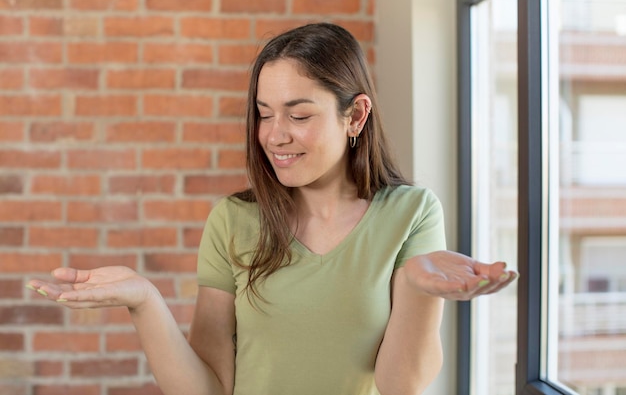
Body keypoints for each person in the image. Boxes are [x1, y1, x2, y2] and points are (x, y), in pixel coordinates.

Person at [27, 22, 517, 395]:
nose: (274, 135)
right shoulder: (233, 220)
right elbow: (208, 387)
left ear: (356, 115)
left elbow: (399, 386)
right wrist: (144, 300)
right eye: (264, 114)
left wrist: (417, 288)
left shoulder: (410, 212)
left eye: (299, 115)